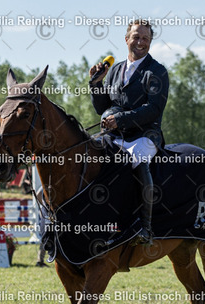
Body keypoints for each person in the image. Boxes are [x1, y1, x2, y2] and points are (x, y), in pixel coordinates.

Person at [89, 19, 169, 246]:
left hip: (145, 135)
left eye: (145, 38)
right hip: (115, 135)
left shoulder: (157, 71)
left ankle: (145, 228)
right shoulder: (114, 70)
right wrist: (96, 84)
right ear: (127, 39)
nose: (141, 42)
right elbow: (102, 108)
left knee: (136, 160)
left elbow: (153, 109)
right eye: (136, 37)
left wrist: (120, 119)